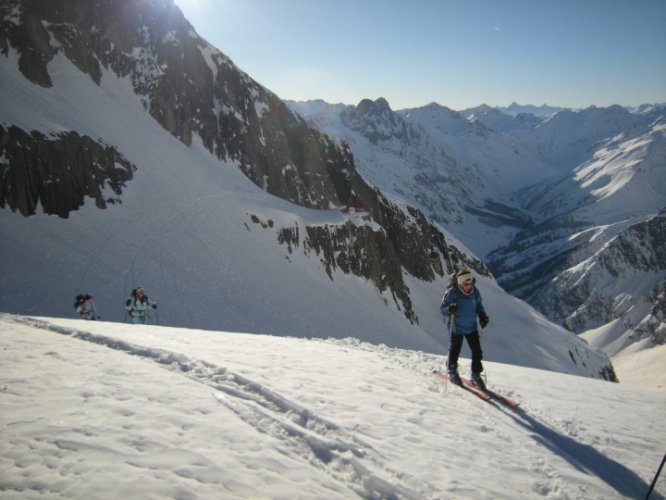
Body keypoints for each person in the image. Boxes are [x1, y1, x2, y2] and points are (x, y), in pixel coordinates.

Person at [440, 268, 490, 388]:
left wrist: (482, 315)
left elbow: (478, 305)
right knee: (455, 350)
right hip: (456, 327)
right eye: (466, 284)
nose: (469, 285)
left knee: (477, 352)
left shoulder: (474, 291)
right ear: (460, 283)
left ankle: (475, 374)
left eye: (470, 282)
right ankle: (452, 370)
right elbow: (442, 309)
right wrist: (448, 309)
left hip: (471, 326)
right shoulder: (452, 293)